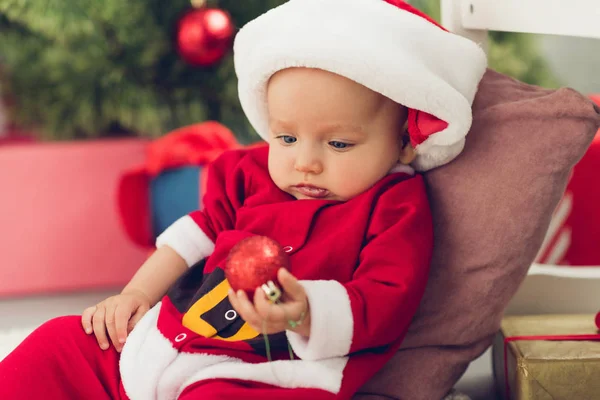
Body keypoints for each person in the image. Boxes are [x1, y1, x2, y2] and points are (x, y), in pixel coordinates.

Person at [0, 0, 486, 399]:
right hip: (170, 339)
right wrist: (135, 296)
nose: (306, 164)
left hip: (263, 373)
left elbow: (387, 296)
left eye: (338, 144)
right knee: (60, 342)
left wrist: (303, 312)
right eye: (287, 139)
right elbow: (194, 234)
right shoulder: (249, 173)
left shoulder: (394, 206)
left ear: (405, 140)